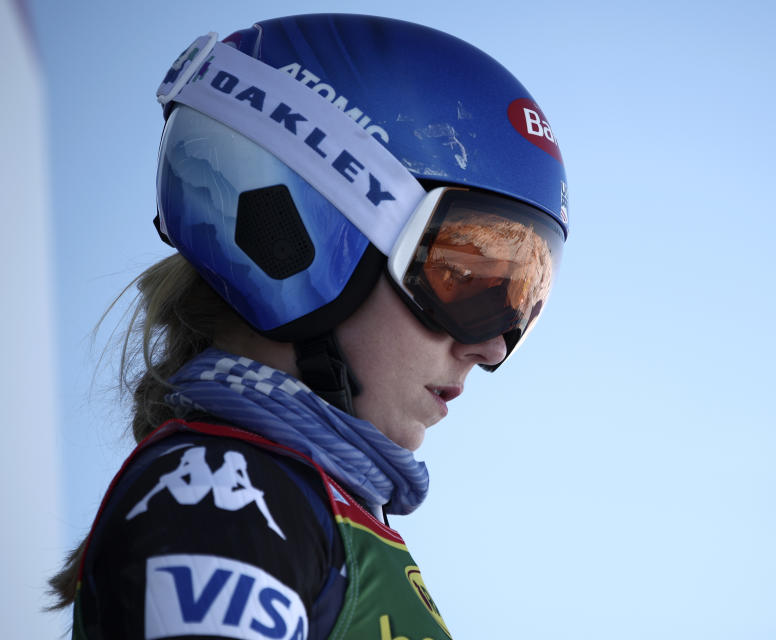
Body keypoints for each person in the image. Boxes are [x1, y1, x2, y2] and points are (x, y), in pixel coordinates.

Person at [49, 13, 568, 640]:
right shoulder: (225, 500)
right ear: (304, 230)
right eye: (464, 278)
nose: (488, 347)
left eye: (519, 303)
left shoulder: (297, 509)